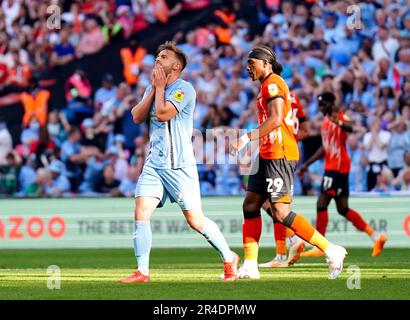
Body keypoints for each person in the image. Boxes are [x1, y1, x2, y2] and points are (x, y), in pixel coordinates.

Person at [118, 41, 239, 283]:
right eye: (157, 56)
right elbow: (136, 116)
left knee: (195, 221)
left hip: (180, 165)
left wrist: (160, 88)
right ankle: (143, 271)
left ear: (176, 65)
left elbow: (163, 114)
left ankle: (229, 257)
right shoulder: (153, 88)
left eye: (162, 56)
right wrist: (153, 89)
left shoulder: (185, 89)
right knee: (141, 211)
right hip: (154, 163)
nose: (157, 59)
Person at [229, 45, 347, 280]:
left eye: (251, 63)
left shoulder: (273, 84)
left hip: (279, 154)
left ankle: (331, 250)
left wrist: (246, 138)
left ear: (266, 63)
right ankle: (250, 265)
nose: (247, 68)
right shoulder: (266, 85)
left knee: (281, 212)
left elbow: (274, 120)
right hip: (266, 154)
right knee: (251, 205)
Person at [298, 92, 388, 257]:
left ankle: (320, 245)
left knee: (321, 204)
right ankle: (376, 236)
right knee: (343, 208)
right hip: (333, 167)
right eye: (320, 105)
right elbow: (323, 149)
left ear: (333, 103)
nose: (322, 108)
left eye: (324, 104)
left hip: (337, 168)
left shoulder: (340, 117)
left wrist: (338, 121)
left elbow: (351, 128)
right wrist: (306, 165)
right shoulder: (326, 121)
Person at [259, 92, 310, 268]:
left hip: (278, 152)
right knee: (272, 203)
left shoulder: (273, 93)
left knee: (273, 204)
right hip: (289, 151)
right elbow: (305, 130)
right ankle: (282, 253)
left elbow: (274, 121)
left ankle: (294, 240)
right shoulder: (294, 98)